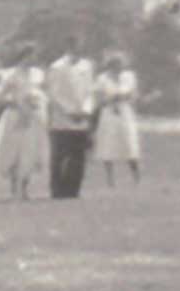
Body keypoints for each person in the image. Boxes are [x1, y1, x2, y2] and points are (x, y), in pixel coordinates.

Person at [0, 44, 49, 200]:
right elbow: (0, 96)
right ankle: (14, 187)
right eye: (29, 56)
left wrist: (37, 100)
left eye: (34, 56)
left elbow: (42, 92)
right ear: (22, 56)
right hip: (15, 115)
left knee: (30, 150)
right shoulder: (11, 74)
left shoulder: (37, 74)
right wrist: (14, 102)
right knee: (15, 150)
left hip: (33, 116)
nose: (32, 59)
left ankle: (25, 188)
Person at [44, 38, 97, 199]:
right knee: (59, 156)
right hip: (62, 119)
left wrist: (86, 110)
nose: (77, 50)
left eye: (79, 47)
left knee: (78, 156)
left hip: (81, 118)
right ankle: (57, 190)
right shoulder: (57, 67)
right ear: (68, 47)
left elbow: (90, 91)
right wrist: (69, 111)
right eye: (74, 46)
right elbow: (54, 93)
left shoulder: (87, 66)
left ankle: (73, 190)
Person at [93, 53, 142, 187]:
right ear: (110, 65)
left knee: (130, 143)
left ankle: (137, 177)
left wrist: (124, 97)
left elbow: (134, 95)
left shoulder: (129, 77)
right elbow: (98, 99)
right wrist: (111, 99)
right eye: (116, 64)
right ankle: (110, 179)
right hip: (109, 113)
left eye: (121, 64)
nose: (119, 67)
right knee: (108, 145)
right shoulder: (102, 79)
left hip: (125, 112)